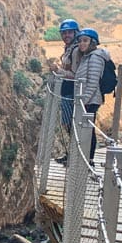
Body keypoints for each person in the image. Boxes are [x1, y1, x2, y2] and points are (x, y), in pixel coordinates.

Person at [73, 28, 111, 163]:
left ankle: (88, 159)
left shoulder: (95, 57)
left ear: (92, 42)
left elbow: (92, 82)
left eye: (85, 41)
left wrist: (83, 102)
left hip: (90, 101)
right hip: (86, 100)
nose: (82, 44)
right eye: (80, 41)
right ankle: (84, 158)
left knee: (88, 130)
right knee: (85, 129)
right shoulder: (86, 56)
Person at [49, 19, 80, 165]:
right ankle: (72, 155)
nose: (66, 35)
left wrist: (58, 70)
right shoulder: (69, 48)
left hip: (72, 92)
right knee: (68, 125)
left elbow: (75, 75)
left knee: (71, 125)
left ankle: (76, 158)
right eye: (64, 32)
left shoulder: (75, 51)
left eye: (69, 32)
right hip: (67, 91)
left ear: (75, 33)